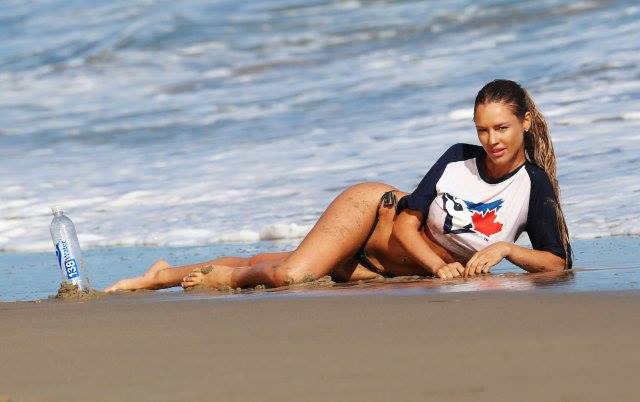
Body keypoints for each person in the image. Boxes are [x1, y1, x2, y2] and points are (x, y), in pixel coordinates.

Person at [105, 79, 572, 293]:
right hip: (371, 216)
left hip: (383, 271)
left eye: (501, 128)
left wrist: (506, 250)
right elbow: (406, 224)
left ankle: (161, 275)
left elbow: (556, 262)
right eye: (482, 130)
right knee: (290, 277)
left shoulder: (533, 185)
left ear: (525, 122)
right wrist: (439, 268)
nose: (491, 140)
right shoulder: (457, 159)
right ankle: (221, 279)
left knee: (274, 265)